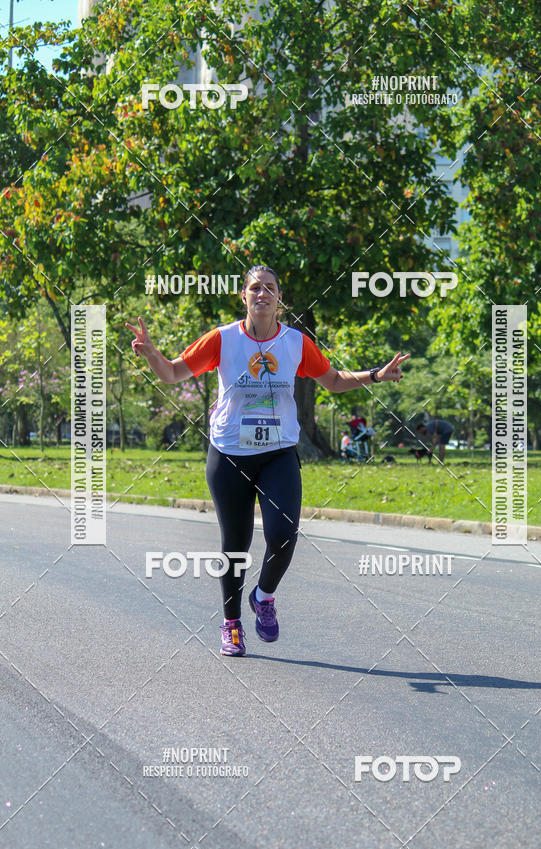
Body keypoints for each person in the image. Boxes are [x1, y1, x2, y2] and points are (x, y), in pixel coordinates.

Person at [126, 265, 410, 657]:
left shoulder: (295, 343)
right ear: (244, 296)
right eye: (255, 288)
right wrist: (152, 353)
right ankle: (231, 625)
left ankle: (264, 596)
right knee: (236, 543)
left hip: (278, 453)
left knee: (284, 535)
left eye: (270, 288)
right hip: (230, 454)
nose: (262, 294)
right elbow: (173, 374)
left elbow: (334, 380)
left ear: (279, 299)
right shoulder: (222, 339)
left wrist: (376, 375)